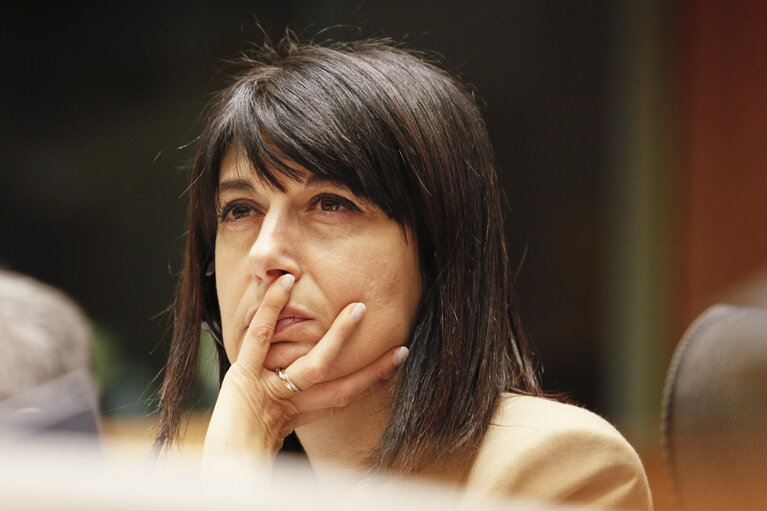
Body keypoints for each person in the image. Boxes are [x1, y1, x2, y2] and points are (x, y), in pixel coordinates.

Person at [154, 35, 652, 510]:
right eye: (240, 210)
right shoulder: (233, 461)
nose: (265, 254)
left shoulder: (559, 468)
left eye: (331, 204)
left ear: (438, 250)